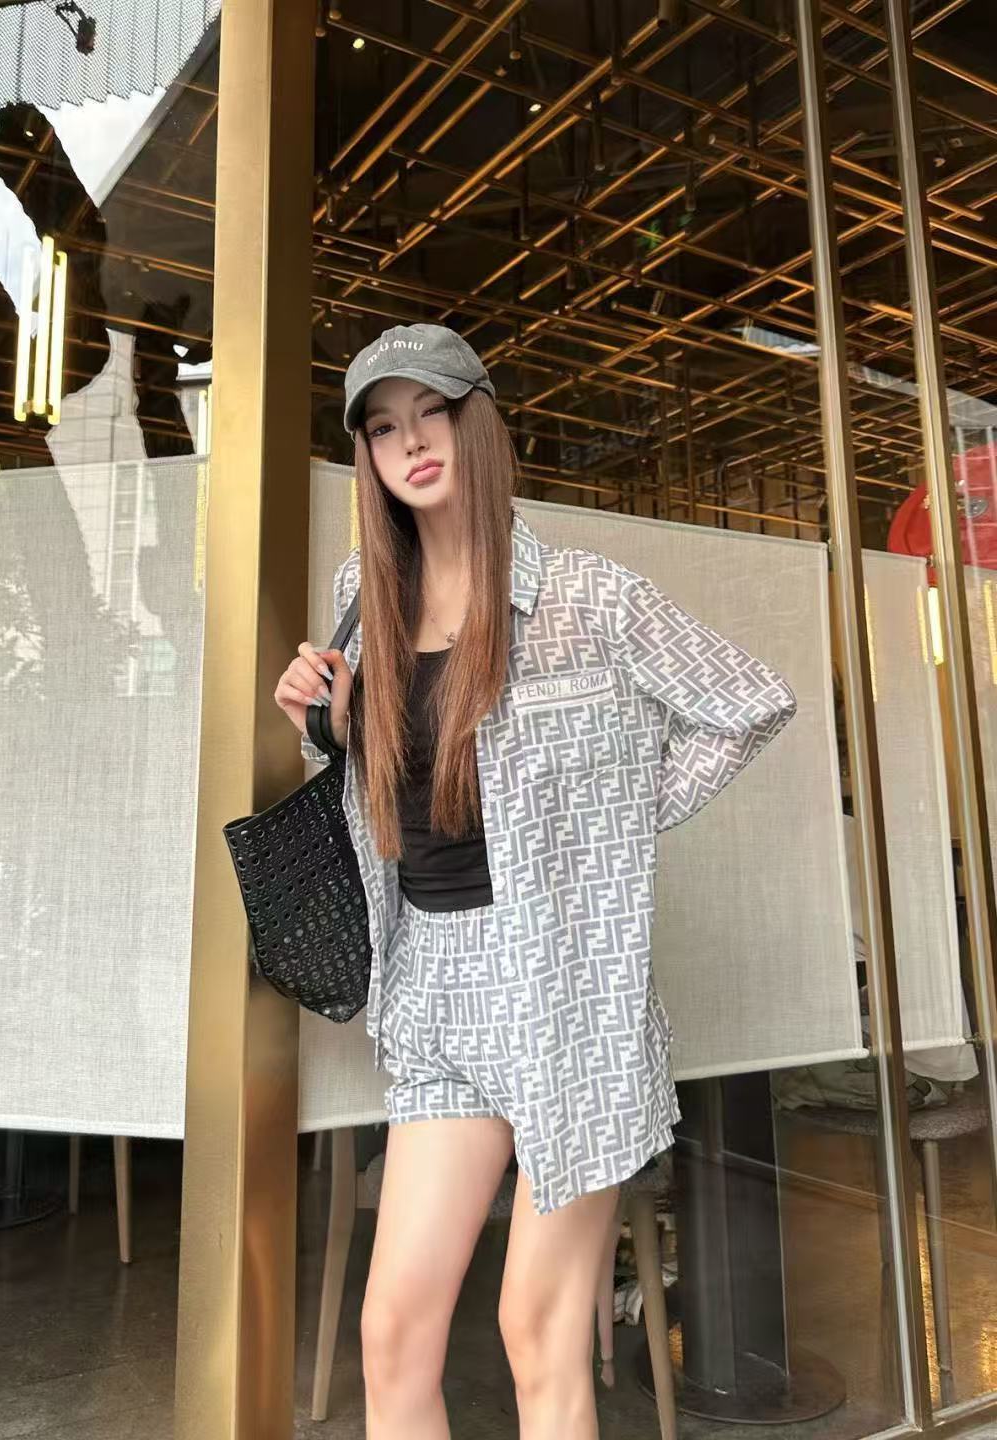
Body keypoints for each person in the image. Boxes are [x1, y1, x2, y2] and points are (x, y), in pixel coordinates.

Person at [275, 322, 798, 1439]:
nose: (412, 442)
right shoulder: (363, 598)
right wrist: (325, 728)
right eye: (384, 427)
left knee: (537, 1332)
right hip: (431, 984)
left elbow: (750, 703)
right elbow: (395, 788)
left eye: (433, 412)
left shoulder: (587, 597)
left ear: (479, 422)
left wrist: (608, 835)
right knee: (393, 1332)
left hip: (567, 992)